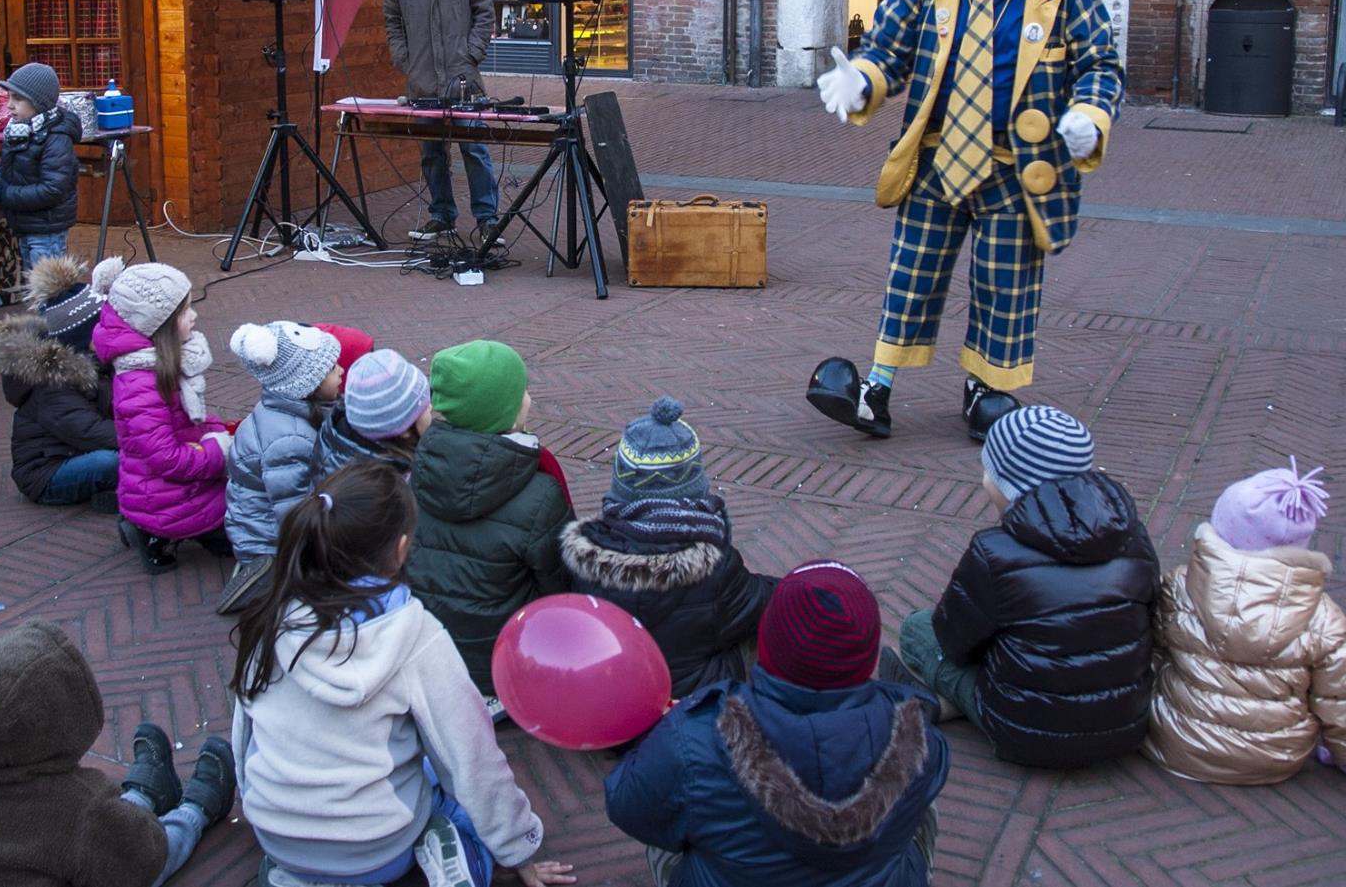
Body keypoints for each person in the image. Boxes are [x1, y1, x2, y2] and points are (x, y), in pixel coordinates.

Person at [817, 0, 1124, 440]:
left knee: (1004, 283)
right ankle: (877, 388)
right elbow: (888, 51)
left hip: (1016, 169)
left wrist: (1091, 112)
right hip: (937, 159)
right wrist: (864, 79)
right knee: (911, 273)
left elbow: (1100, 64)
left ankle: (986, 389)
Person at [228, 460, 577, 887]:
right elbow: (472, 759)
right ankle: (459, 855)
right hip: (377, 848)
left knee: (418, 770)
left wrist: (257, 801)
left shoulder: (272, 615)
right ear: (400, 549)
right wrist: (519, 850)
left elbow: (244, 731)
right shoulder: (415, 634)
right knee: (446, 789)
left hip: (277, 838)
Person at [605, 561, 950, 887]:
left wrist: (666, 735)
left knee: (673, 796)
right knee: (923, 795)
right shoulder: (917, 732)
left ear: (769, 641)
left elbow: (626, 806)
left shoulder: (694, 734)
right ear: (867, 655)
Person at [894, 406, 1158, 769]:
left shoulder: (994, 552)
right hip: (1126, 726)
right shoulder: (1134, 537)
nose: (984, 480)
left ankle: (948, 701)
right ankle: (951, 702)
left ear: (1010, 486)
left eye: (989, 472)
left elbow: (953, 642)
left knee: (917, 628)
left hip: (1025, 735)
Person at [0, 619, 235, 887]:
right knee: (144, 855)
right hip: (105, 847)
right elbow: (143, 861)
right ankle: (194, 812)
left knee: (99, 836)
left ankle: (143, 796)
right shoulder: (76, 806)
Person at [1144, 461, 1346, 785]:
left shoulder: (1179, 586)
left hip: (1175, 741)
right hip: (1277, 758)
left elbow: (1152, 651)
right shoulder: (1323, 619)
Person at [560, 397, 777, 698]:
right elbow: (764, 602)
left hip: (613, 696)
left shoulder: (586, 552)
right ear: (695, 486)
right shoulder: (715, 568)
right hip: (689, 700)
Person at [406, 340, 574, 696]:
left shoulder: (415, 474)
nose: (529, 398)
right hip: (503, 664)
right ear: (506, 415)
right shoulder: (541, 496)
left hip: (431, 655)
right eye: (521, 392)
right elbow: (561, 591)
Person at [89, 258, 235, 574]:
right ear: (159, 324)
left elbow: (186, 422)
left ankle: (147, 526)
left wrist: (216, 431)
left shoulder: (158, 365)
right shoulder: (141, 386)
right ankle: (151, 530)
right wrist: (219, 451)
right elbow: (166, 459)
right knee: (245, 528)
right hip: (164, 494)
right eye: (184, 311)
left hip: (173, 482)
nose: (194, 316)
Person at [383, 0, 501, 247]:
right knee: (431, 154)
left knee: (474, 150)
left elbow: (484, 9)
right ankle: (442, 217)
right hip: (423, 79)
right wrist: (405, 60)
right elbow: (392, 19)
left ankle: (487, 220)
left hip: (462, 77)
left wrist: (472, 53)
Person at [216, 320, 347, 615]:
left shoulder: (289, 411)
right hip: (266, 538)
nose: (341, 371)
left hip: (257, 520)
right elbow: (294, 514)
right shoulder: (289, 440)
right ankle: (267, 577)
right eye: (331, 368)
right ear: (306, 384)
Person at [0, 255, 121, 509]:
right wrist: (147, 440)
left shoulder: (93, 359)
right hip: (46, 474)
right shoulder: (52, 383)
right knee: (112, 461)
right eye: (103, 327)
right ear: (84, 339)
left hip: (74, 450)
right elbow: (89, 432)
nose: (112, 331)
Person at [0, 62, 80, 272]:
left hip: (47, 227)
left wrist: (6, 194)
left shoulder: (56, 138)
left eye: (17, 99)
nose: (10, 105)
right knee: (32, 280)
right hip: (26, 223)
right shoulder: (18, 130)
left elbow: (53, 189)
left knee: (48, 283)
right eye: (9, 97)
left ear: (39, 103)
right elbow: (5, 165)